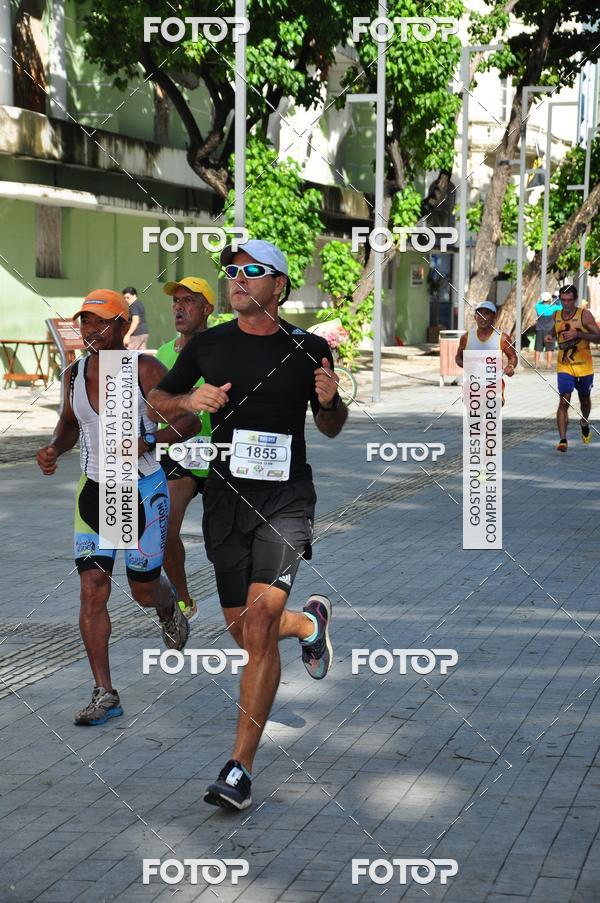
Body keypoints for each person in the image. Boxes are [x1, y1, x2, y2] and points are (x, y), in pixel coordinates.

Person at [148, 239, 348, 811]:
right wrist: (190, 398)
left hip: (286, 501)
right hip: (226, 500)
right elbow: (159, 399)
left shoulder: (309, 348)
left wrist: (332, 402)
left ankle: (239, 768)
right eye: (231, 270)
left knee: (257, 630)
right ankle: (309, 626)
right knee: (242, 632)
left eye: (251, 271)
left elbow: (331, 426)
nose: (238, 278)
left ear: (278, 286)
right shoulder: (208, 345)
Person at [36, 289, 197, 725]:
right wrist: (53, 448)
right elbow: (70, 424)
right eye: (85, 322)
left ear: (123, 327)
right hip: (95, 490)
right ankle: (105, 692)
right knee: (93, 589)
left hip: (141, 489)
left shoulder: (145, 370)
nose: (91, 330)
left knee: (143, 591)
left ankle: (167, 607)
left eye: (101, 322)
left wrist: (151, 439)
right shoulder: (73, 375)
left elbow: (189, 419)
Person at [156, 277, 215, 622]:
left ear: (208, 308)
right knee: (164, 530)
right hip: (181, 452)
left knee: (223, 543)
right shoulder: (163, 354)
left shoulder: (225, 349)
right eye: (176, 300)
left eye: (189, 300)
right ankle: (182, 601)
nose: (179, 306)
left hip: (221, 451)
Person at [550, 284, 600, 451]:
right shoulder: (556, 314)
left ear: (575, 300)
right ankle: (563, 440)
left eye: (569, 300)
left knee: (584, 400)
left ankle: (584, 421)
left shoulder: (584, 315)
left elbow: (598, 337)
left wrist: (579, 334)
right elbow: (554, 331)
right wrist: (549, 337)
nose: (566, 304)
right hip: (565, 365)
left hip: (584, 367)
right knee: (564, 398)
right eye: (563, 300)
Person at [455, 301, 518, 403]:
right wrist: (465, 365)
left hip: (494, 387)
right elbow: (458, 357)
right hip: (472, 387)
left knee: (491, 418)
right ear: (475, 317)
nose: (482, 317)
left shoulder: (502, 338)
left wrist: (510, 367)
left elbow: (513, 357)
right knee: (474, 417)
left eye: (486, 314)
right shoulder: (466, 338)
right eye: (479, 314)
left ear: (494, 316)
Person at [534, 291, 561, 370]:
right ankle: (548, 365)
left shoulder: (538, 307)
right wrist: (556, 299)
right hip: (550, 331)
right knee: (549, 349)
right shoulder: (553, 307)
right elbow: (561, 306)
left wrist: (544, 300)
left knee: (538, 348)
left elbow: (538, 303)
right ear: (549, 299)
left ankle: (537, 365)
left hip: (539, 330)